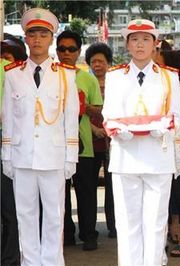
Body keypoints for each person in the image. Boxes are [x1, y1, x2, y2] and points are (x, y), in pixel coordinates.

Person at [102, 19, 180, 266]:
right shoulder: (115, 76)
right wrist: (118, 130)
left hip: (157, 157)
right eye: (134, 39)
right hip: (125, 157)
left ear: (155, 45)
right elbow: (108, 114)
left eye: (146, 39)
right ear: (126, 44)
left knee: (156, 222)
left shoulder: (169, 78)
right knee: (127, 222)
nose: (140, 44)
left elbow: (177, 115)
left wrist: (164, 129)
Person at [2, 8, 79, 265]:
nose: (37, 40)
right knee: (25, 215)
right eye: (32, 34)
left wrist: (71, 157)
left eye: (43, 34)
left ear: (51, 39)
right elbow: (9, 118)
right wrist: (6, 156)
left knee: (55, 215)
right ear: (25, 38)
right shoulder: (13, 74)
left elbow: (71, 120)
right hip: (22, 155)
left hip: (54, 155)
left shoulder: (66, 75)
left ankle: (53, 262)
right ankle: (30, 262)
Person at [56, 30, 103, 250]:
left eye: (71, 49)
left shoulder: (87, 78)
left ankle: (89, 234)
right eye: (62, 49)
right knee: (59, 194)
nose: (66, 53)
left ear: (78, 51)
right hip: (55, 146)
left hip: (82, 145)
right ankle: (65, 234)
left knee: (86, 192)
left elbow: (99, 110)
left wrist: (84, 106)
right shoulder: (50, 74)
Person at [155, 50, 180, 257]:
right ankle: (166, 234)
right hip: (159, 151)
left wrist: (163, 124)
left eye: (160, 62)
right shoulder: (157, 87)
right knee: (164, 197)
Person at [1, 33, 27, 266]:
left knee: (11, 210)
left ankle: (10, 259)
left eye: (6, 57)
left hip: (11, 150)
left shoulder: (18, 75)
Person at [85, 42, 116, 239]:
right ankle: (89, 231)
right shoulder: (85, 82)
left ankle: (114, 226)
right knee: (88, 187)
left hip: (113, 143)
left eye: (101, 61)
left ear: (108, 63)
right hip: (90, 142)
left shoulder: (116, 83)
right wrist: (94, 129)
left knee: (114, 188)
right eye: (93, 61)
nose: (97, 65)